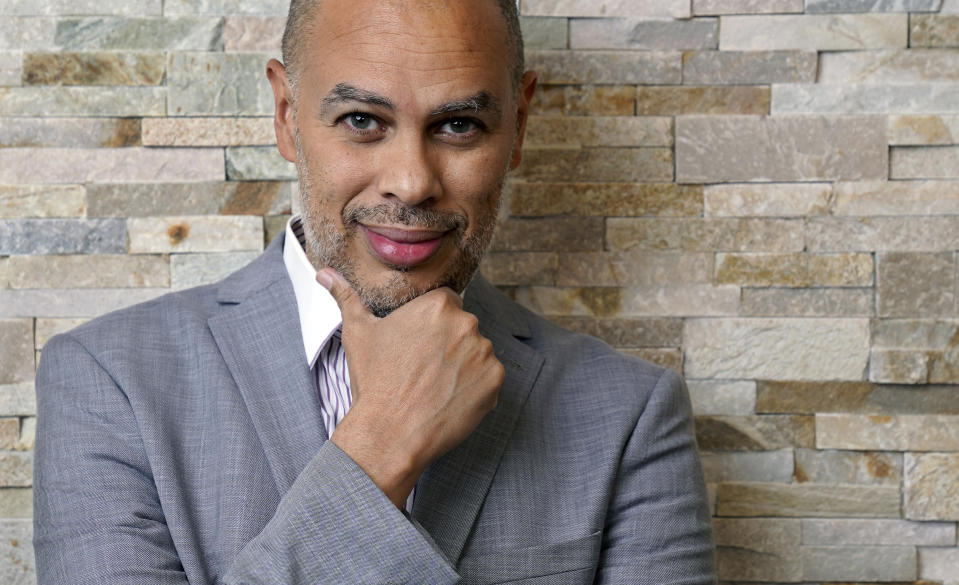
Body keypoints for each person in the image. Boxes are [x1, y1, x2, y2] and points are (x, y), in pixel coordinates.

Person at [33, 0, 716, 582]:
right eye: (362, 119)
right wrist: (384, 441)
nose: (412, 181)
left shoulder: (630, 414)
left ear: (518, 123)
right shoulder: (110, 381)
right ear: (285, 114)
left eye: (459, 124)